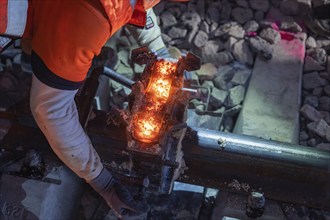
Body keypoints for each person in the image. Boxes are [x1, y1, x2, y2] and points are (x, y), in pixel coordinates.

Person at [1, 0, 186, 219]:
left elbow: (136, 5)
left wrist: (160, 51)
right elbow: (51, 110)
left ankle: (42, 57)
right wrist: (104, 183)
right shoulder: (86, 19)